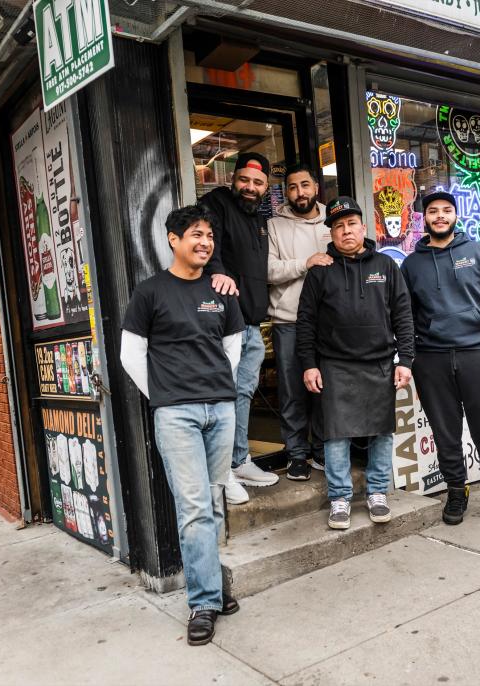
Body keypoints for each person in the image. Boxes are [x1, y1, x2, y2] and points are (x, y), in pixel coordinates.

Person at [120, 205, 244, 646]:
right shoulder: (150, 291)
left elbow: (234, 345)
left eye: (209, 235)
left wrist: (218, 387)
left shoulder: (221, 290)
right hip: (177, 414)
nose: (204, 242)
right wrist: (165, 397)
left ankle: (211, 586)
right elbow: (130, 354)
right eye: (196, 234)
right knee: (193, 509)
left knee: (211, 505)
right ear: (173, 239)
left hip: (220, 411)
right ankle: (205, 601)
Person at [400, 191, 480, 525]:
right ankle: (456, 491)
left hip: (479, 354)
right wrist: (411, 358)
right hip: (432, 359)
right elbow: (406, 315)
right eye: (433, 211)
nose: (440, 216)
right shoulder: (411, 264)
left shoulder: (479, 253)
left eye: (447, 211)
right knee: (445, 432)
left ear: (455, 215)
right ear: (423, 218)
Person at [296, 196, 414, 530]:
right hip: (334, 364)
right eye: (338, 226)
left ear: (364, 227)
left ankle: (377, 492)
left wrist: (404, 359)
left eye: (351, 224)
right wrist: (309, 363)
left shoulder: (386, 266)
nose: (345, 231)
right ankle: (340, 498)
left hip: (380, 364)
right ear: (331, 234)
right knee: (336, 435)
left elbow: (404, 315)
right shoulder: (320, 272)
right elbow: (305, 321)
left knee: (382, 432)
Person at [199, 152, 279, 504]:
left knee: (242, 394)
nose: (250, 187)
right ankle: (221, 473)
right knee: (222, 397)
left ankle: (239, 459)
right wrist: (216, 269)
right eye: (245, 180)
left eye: (258, 183)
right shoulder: (216, 202)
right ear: (234, 179)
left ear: (266, 187)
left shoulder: (259, 217)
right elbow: (207, 236)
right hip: (226, 324)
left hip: (252, 322)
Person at [267, 162, 332, 481]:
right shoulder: (274, 226)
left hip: (328, 324)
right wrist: (304, 263)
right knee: (293, 391)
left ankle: (321, 450)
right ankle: (296, 454)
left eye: (304, 185)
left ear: (315, 188)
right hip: (289, 321)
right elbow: (268, 271)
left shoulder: (333, 222)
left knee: (325, 390)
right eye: (292, 187)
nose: (299, 192)